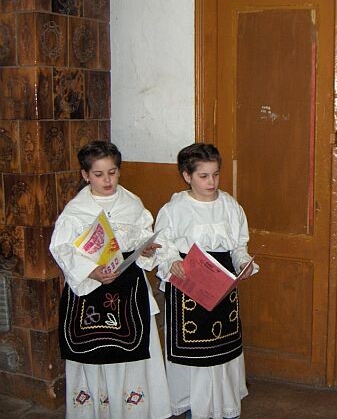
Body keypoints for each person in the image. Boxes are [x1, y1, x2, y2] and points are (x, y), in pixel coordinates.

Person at [49, 141, 171, 419]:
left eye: (112, 173)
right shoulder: (75, 211)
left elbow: (143, 236)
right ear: (85, 175)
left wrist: (146, 248)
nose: (107, 180)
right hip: (91, 290)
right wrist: (92, 271)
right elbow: (61, 247)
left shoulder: (132, 203)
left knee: (134, 351)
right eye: (99, 174)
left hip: (128, 287)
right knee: (96, 353)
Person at [154, 143, 258, 419]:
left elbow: (239, 244)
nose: (211, 182)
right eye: (203, 176)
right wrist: (171, 260)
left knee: (222, 349)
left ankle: (225, 406)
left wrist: (242, 262)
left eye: (215, 174)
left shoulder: (229, 205)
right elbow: (162, 244)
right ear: (187, 176)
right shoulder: (175, 209)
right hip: (189, 286)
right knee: (196, 353)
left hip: (221, 285)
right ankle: (196, 408)